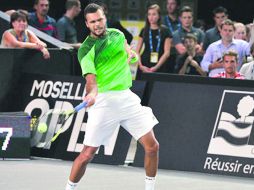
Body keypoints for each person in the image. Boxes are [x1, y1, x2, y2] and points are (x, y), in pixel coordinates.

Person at [65, 3, 159, 190]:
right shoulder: (86, 49)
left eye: (100, 19)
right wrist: (92, 94)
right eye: (93, 22)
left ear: (104, 18)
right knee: (87, 154)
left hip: (126, 97)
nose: (98, 24)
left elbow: (125, 49)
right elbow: (91, 80)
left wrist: (130, 53)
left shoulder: (117, 34)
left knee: (152, 146)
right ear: (87, 24)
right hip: (103, 102)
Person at [135, 4, 171, 79]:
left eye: (154, 14)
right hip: (145, 64)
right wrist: (141, 66)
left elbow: (167, 53)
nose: (151, 17)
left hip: (160, 65)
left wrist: (156, 67)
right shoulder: (144, 30)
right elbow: (137, 51)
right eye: (149, 14)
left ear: (159, 16)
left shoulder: (165, 31)